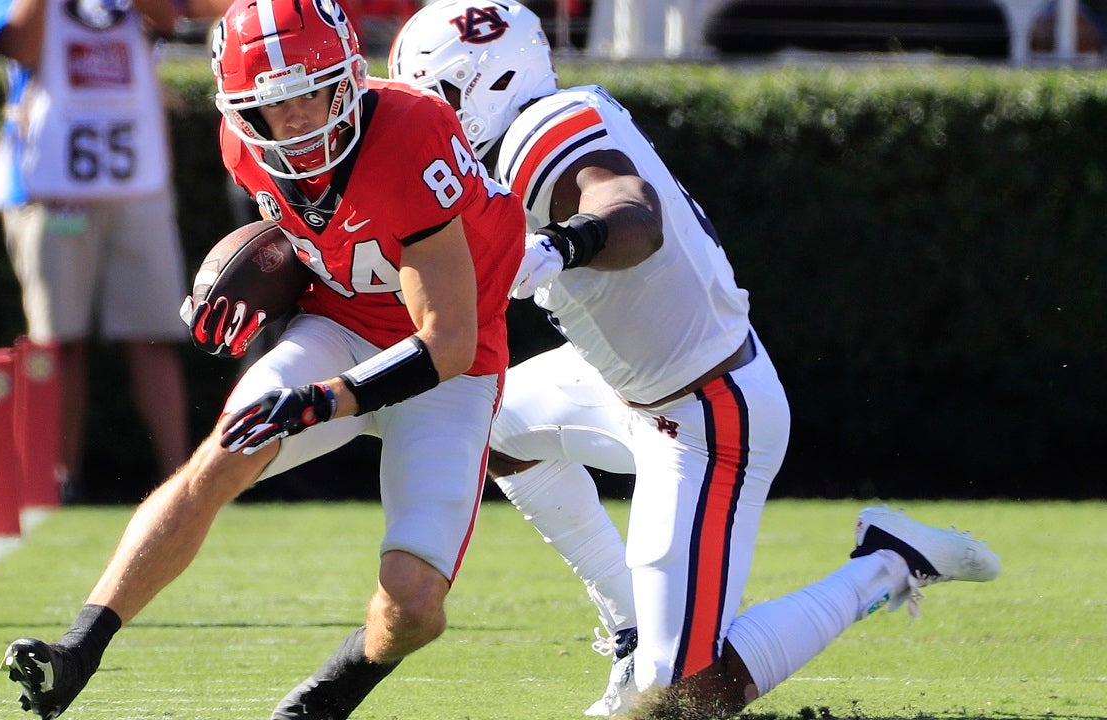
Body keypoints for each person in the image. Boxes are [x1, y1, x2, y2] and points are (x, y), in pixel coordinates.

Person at [388, 2, 1002, 718]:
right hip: (626, 383)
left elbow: (632, 212)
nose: (433, 118)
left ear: (494, 80)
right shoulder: (518, 140)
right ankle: (630, 630)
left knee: (686, 699)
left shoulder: (542, 129)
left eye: (442, 96)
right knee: (490, 426)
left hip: (707, 412)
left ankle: (886, 564)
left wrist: (558, 245)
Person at [0, 0, 523, 718]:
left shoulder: (413, 131)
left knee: (415, 605)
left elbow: (447, 340)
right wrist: (254, 293)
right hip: (337, 324)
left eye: (312, 92)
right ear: (244, 111)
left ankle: (327, 696)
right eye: (274, 106)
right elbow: (313, 245)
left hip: (447, 366)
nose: (299, 119)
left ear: (350, 77)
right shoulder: (241, 145)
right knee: (221, 454)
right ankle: (79, 649)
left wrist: (329, 397)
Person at [0, 0, 206, 502]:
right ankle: (60, 479)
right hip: (52, 189)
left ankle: (182, 477)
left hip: (136, 185)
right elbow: (19, 43)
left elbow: (169, 19)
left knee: (154, 335)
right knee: (58, 341)